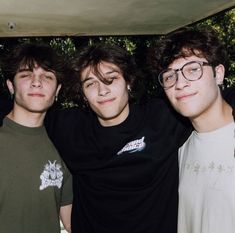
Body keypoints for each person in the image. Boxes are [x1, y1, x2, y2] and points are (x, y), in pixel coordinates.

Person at [45, 43, 192, 233]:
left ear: (128, 81)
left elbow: (215, 102)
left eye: (111, 79)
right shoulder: (69, 128)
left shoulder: (163, 117)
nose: (102, 91)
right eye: (91, 84)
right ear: (82, 93)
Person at [153, 26, 235, 233]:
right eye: (170, 76)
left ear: (218, 74)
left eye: (192, 69)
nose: (180, 83)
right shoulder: (179, 150)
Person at [0, 43, 73, 233]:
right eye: (26, 75)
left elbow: (72, 223)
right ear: (11, 86)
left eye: (47, 76)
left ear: (57, 90)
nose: (37, 82)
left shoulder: (64, 145)